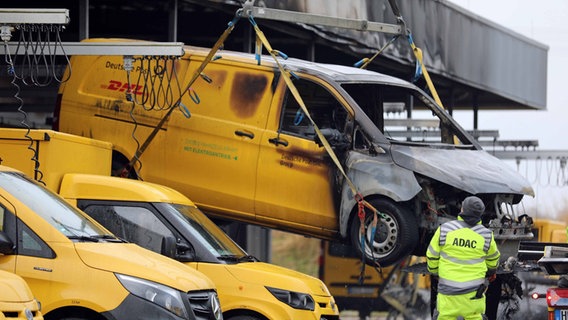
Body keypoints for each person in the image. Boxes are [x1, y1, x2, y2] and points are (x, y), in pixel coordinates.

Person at [426, 196, 500, 320]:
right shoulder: (486, 235)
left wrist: (435, 272)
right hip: (474, 295)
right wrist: (491, 272)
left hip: (447, 295)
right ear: (480, 214)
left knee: (445, 316)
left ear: (462, 209)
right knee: (475, 316)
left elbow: (432, 255)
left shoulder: (445, 230)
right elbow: (493, 260)